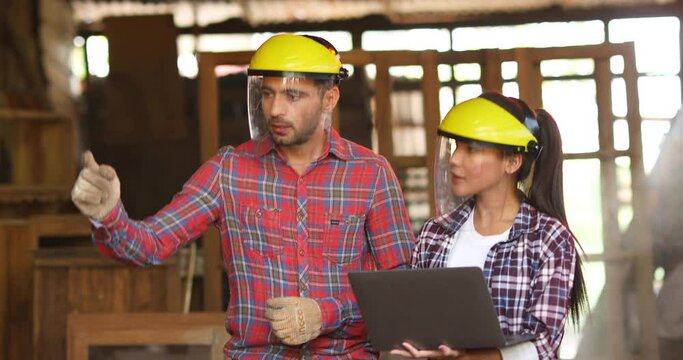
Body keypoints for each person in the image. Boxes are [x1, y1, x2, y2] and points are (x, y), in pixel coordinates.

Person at [71, 33, 415, 359]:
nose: (276, 109)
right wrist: (108, 215)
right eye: (268, 93)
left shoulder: (371, 174)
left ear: (329, 98)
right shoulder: (229, 171)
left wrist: (326, 314)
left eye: (292, 96)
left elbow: (401, 292)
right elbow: (149, 244)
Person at [391, 92, 587, 360]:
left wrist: (473, 359)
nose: (455, 159)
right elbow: (415, 323)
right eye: (456, 147)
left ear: (512, 161)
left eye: (471, 149)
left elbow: (544, 344)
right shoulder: (435, 234)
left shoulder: (548, 239)